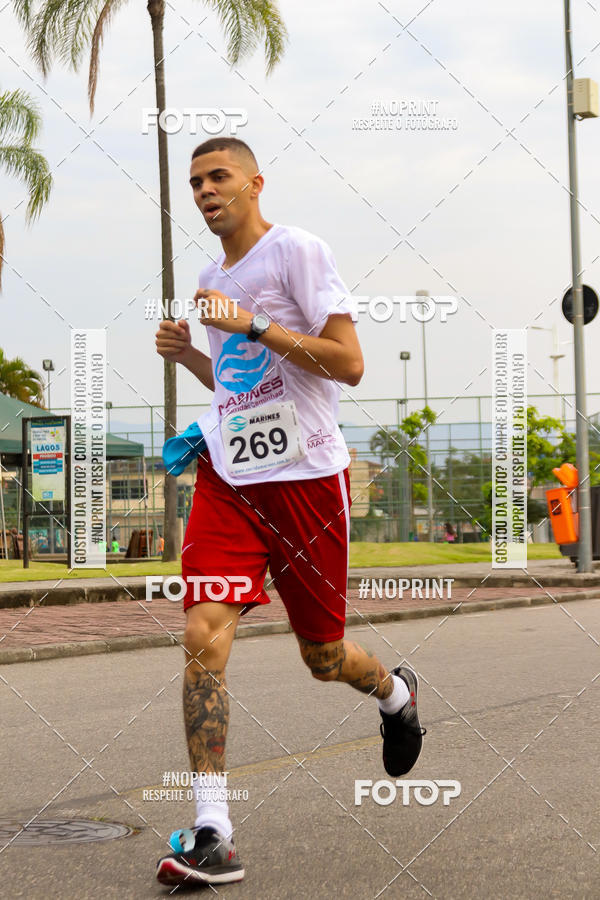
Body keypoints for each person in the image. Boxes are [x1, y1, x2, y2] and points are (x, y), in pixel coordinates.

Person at [154, 137, 425, 887]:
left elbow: (348, 364)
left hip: (307, 479)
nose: (206, 190)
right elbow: (243, 387)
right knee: (201, 629)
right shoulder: (210, 277)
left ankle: (397, 696)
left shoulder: (297, 251)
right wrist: (191, 356)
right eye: (196, 182)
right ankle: (214, 830)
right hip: (232, 479)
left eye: (219, 177)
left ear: (253, 182)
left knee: (323, 658)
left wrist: (248, 323)